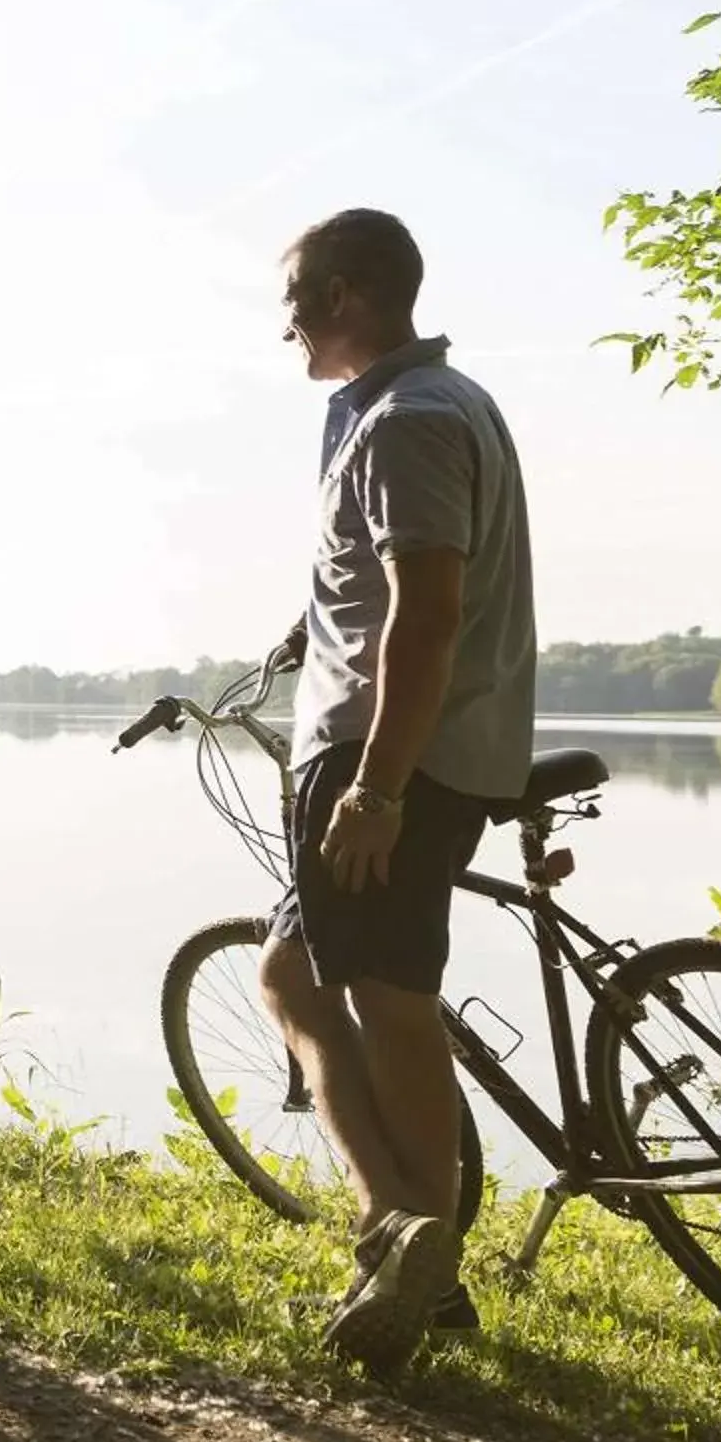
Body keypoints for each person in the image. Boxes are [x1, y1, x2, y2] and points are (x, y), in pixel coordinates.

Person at [262, 209, 536, 1373]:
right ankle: (402, 1228)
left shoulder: (410, 420)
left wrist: (374, 788)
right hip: (402, 743)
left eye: (297, 299)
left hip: (391, 755)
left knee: (388, 996)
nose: (286, 326)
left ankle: (420, 1243)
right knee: (294, 978)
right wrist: (308, 628)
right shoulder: (422, 407)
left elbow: (427, 616)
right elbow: (386, 587)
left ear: (350, 296)